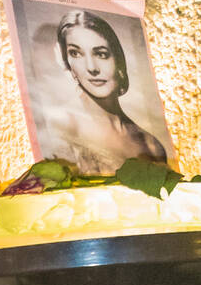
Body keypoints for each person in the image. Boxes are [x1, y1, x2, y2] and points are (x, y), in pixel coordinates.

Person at [44, 10, 168, 174]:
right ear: (68, 63)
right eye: (76, 53)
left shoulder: (150, 144)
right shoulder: (60, 124)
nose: (91, 68)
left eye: (101, 54)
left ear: (118, 61)